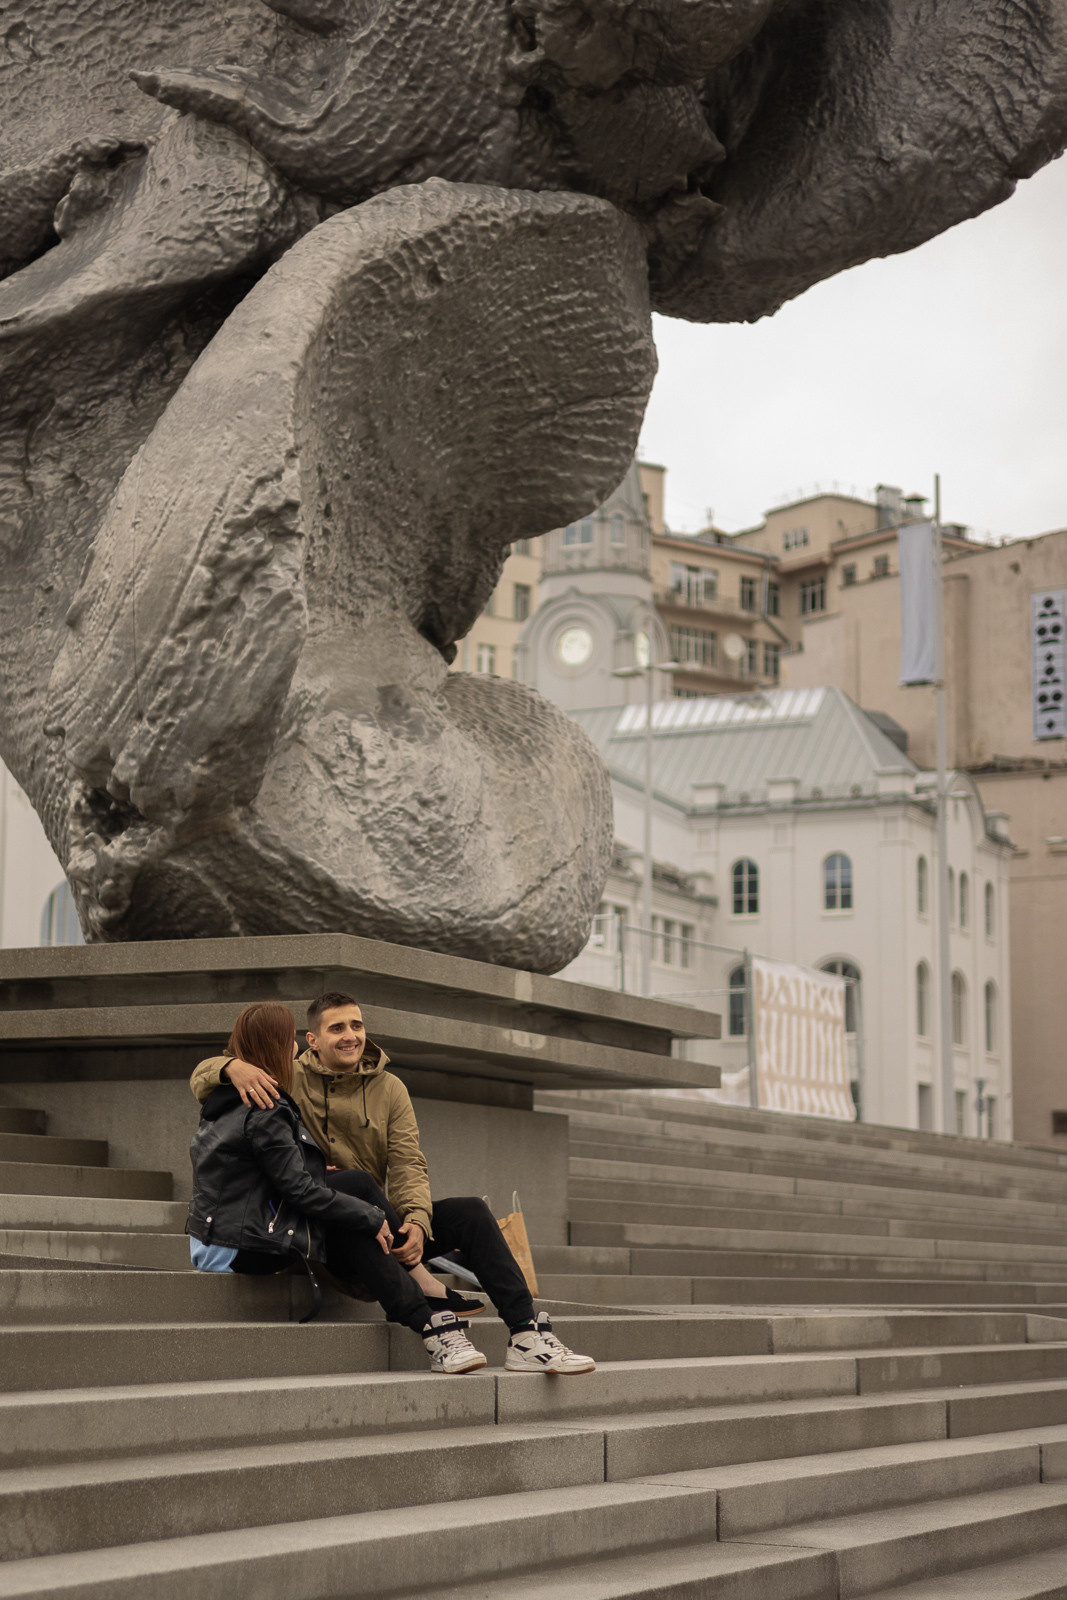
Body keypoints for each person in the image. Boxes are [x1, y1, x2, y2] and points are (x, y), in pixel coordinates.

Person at [191, 992, 595, 1374]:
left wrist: (417, 1222)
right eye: (336, 1029)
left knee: (470, 1211)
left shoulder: (390, 1088)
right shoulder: (284, 1075)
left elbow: (408, 1163)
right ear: (310, 1040)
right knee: (356, 1193)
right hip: (327, 1224)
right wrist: (230, 1067)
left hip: (379, 1221)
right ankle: (431, 1312)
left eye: (357, 1025)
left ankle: (526, 1335)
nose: (350, 1036)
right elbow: (202, 1079)